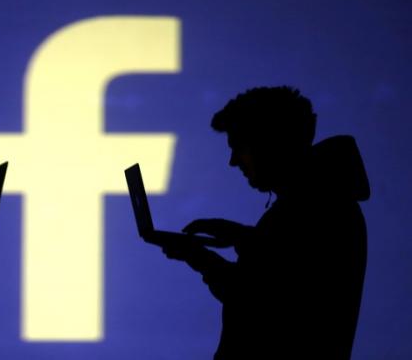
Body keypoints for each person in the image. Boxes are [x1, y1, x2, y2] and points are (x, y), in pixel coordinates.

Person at [145, 86, 369, 359]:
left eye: (239, 148)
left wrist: (199, 258)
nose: (233, 161)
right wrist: (243, 237)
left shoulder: (312, 212)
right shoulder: (324, 205)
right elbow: (286, 269)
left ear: (270, 144)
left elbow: (260, 302)